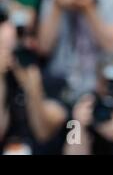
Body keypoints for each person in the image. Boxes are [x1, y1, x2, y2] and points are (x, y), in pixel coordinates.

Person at [0, 19, 67, 155]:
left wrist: (32, 87)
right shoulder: (4, 82)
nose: (11, 56)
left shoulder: (52, 80)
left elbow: (43, 132)